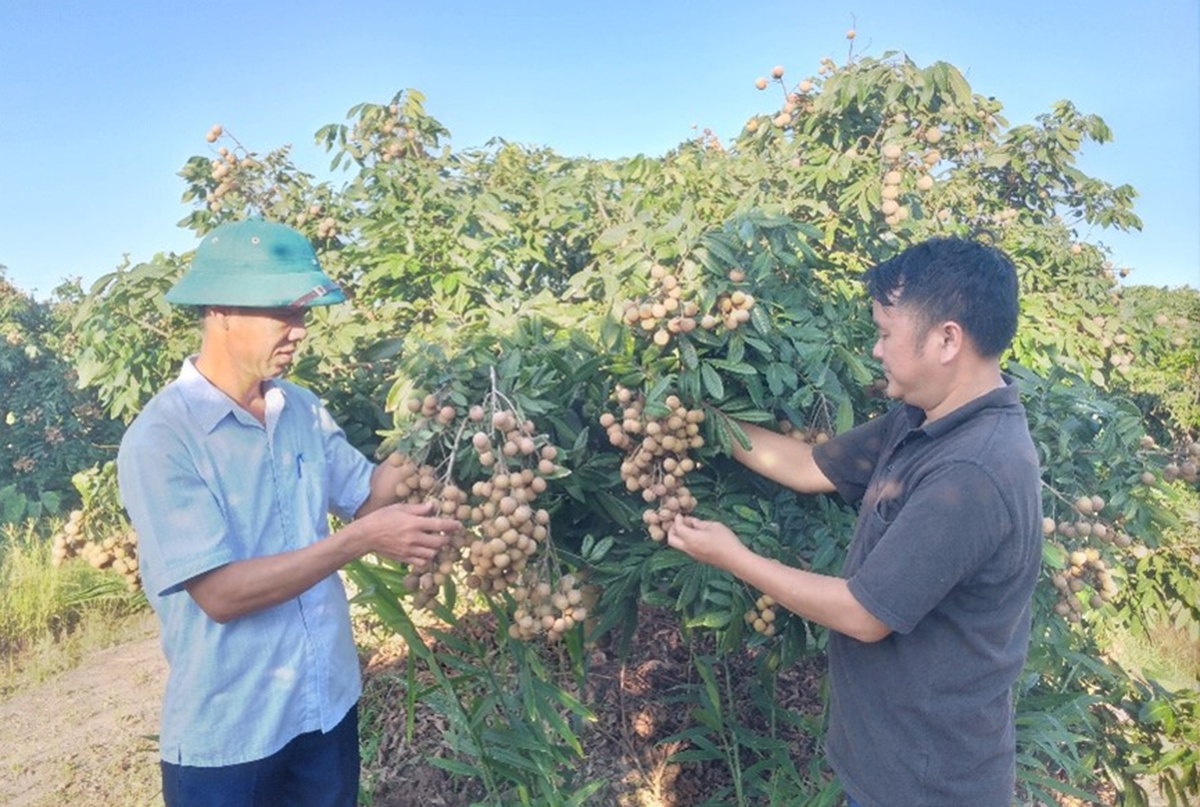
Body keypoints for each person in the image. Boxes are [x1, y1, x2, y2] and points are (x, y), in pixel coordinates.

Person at [667, 236, 1043, 807]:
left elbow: (865, 615)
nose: (875, 349)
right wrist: (707, 414)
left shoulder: (974, 470)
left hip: (927, 789)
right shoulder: (923, 419)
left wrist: (734, 557)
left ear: (946, 339)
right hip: (887, 769)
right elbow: (805, 465)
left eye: (886, 333)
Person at [117, 217, 462, 807]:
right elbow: (221, 595)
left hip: (325, 703)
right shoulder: (162, 439)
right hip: (232, 731)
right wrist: (360, 541)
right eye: (284, 311)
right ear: (220, 311)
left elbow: (367, 498)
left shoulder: (300, 409)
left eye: (303, 314)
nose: (299, 330)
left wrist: (429, 443)